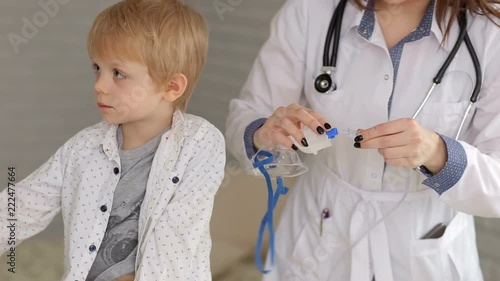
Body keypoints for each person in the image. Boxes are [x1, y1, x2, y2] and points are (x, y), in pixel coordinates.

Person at [225, 0, 500, 280]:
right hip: (318, 237)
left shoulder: (491, 32)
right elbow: (248, 115)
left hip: (425, 250)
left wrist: (439, 155)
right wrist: (264, 134)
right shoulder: (310, 10)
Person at [0, 0, 226, 280]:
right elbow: (21, 207)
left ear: (171, 86)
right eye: (97, 68)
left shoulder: (199, 143)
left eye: (118, 73)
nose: (99, 85)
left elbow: (175, 241)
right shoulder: (83, 148)